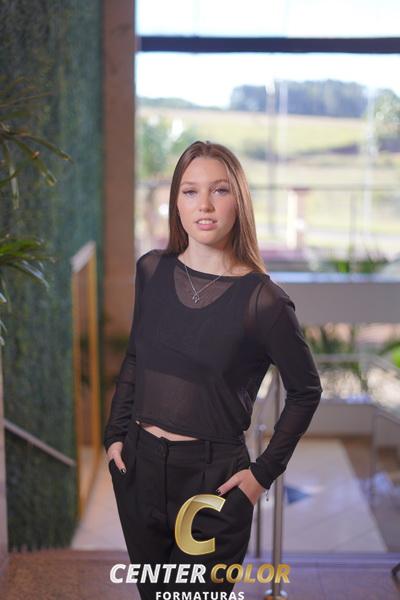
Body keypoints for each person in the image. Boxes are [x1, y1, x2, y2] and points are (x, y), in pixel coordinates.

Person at [103, 140, 323, 600]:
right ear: (176, 203)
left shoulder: (264, 300)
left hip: (212, 484)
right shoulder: (151, 270)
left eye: (219, 190)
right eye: (190, 191)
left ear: (238, 201)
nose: (203, 205)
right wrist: (115, 436)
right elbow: (137, 357)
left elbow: (306, 391)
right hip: (140, 469)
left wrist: (262, 475)